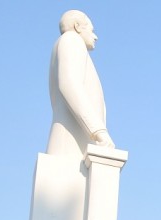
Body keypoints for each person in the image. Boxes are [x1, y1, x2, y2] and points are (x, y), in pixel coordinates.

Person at [48, 10, 115, 159]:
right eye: (91, 30)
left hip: (72, 146)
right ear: (77, 26)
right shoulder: (71, 40)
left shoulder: (66, 44)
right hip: (70, 147)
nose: (95, 36)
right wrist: (99, 132)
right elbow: (69, 84)